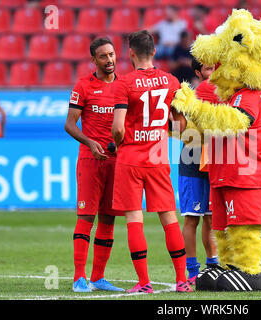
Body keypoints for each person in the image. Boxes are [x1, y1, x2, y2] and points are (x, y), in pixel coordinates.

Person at [111, 30, 192, 293]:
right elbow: (181, 126)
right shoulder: (171, 82)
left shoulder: (123, 84)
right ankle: (182, 280)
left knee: (135, 218)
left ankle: (144, 283)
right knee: (169, 217)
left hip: (130, 159)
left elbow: (118, 128)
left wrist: (119, 143)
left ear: (130, 53)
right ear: (154, 52)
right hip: (158, 159)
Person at [64, 37, 124, 293]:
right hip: (91, 160)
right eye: (103, 56)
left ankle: (98, 277)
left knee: (108, 218)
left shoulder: (125, 85)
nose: (109, 60)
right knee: (86, 216)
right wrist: (90, 143)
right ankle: (79, 277)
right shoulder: (83, 86)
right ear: (94, 60)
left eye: (111, 54)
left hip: (117, 161)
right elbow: (69, 124)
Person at [179, 58, 219, 285]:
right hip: (192, 159)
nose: (212, 72)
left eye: (215, 67)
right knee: (192, 218)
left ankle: (212, 265)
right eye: (207, 68)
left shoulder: (225, 95)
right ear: (198, 72)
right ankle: (192, 270)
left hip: (216, 160)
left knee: (212, 218)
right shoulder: (192, 98)